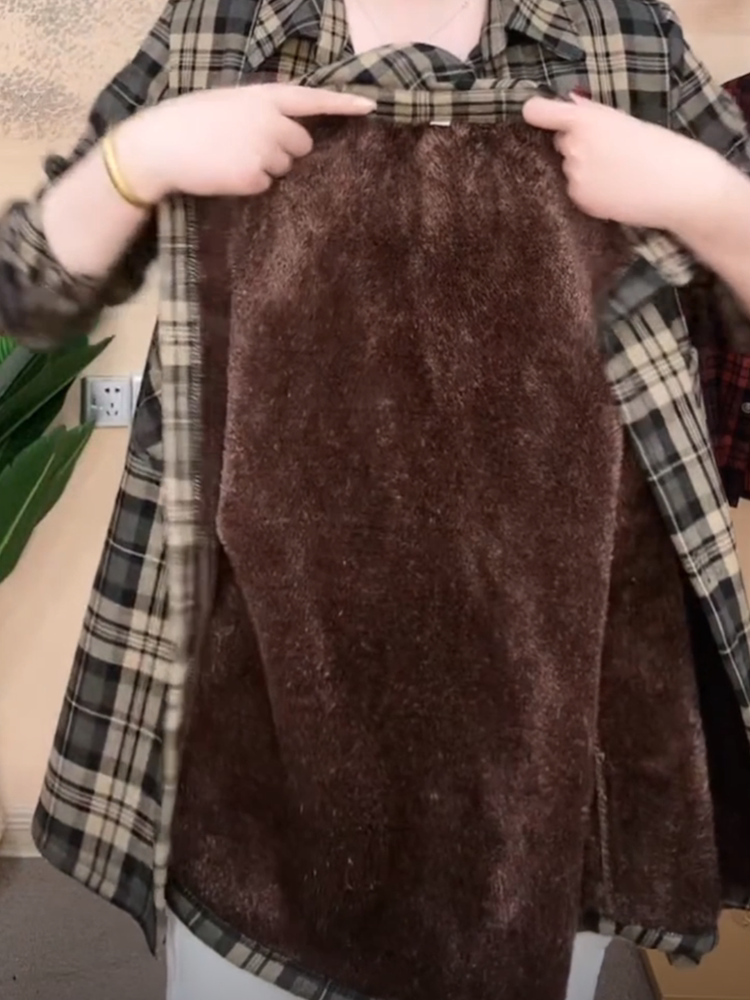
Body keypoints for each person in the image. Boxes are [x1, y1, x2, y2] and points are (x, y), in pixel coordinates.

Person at [2, 2, 750, 999]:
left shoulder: (621, 31)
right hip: (259, 706)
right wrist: (139, 158)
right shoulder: (220, 27)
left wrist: (709, 200)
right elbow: (28, 288)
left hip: (545, 721)